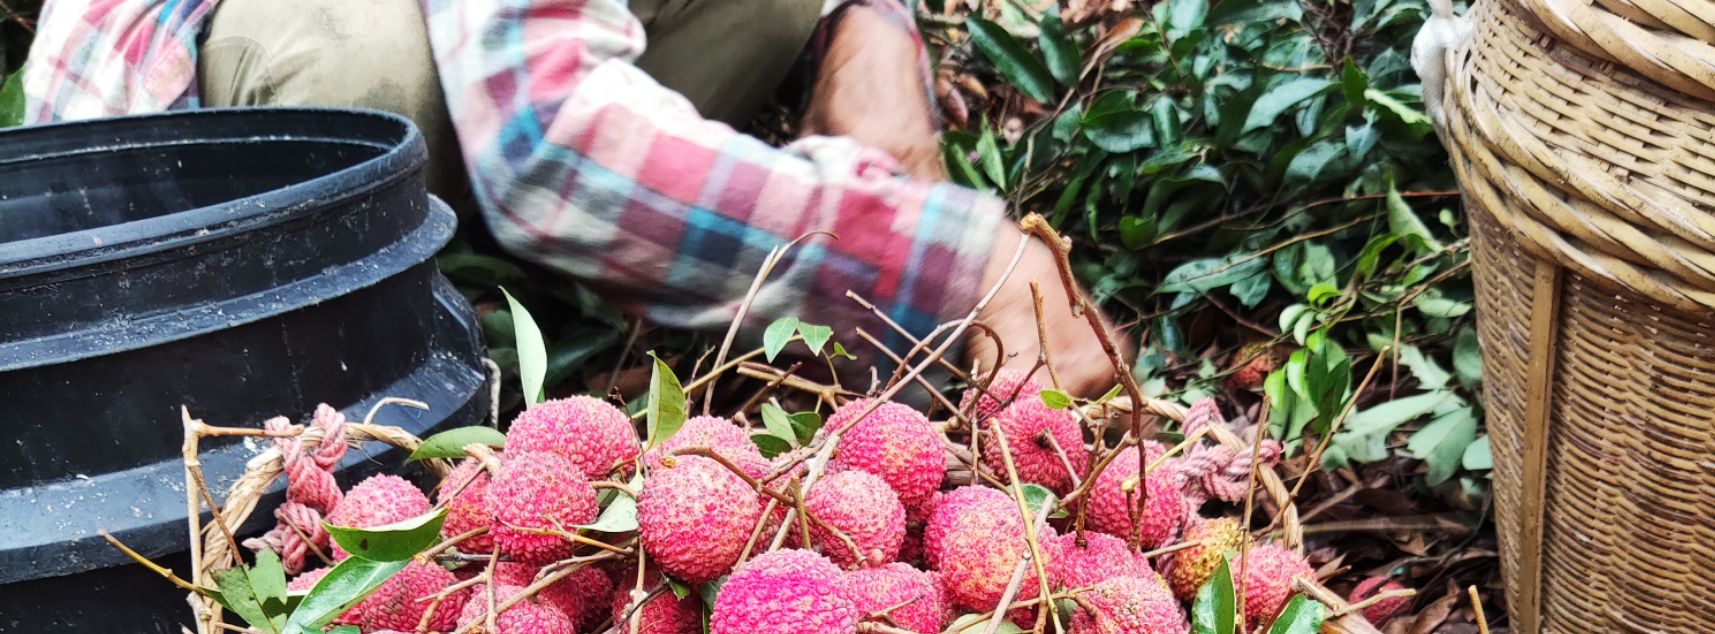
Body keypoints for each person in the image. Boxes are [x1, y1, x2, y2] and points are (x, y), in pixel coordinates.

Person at [23, 0, 1125, 392]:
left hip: (498, 63)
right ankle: (360, 399)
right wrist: (952, 255)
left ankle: (640, 272)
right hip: (162, 157)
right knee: (365, 71)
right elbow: (545, 142)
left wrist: (869, 31)